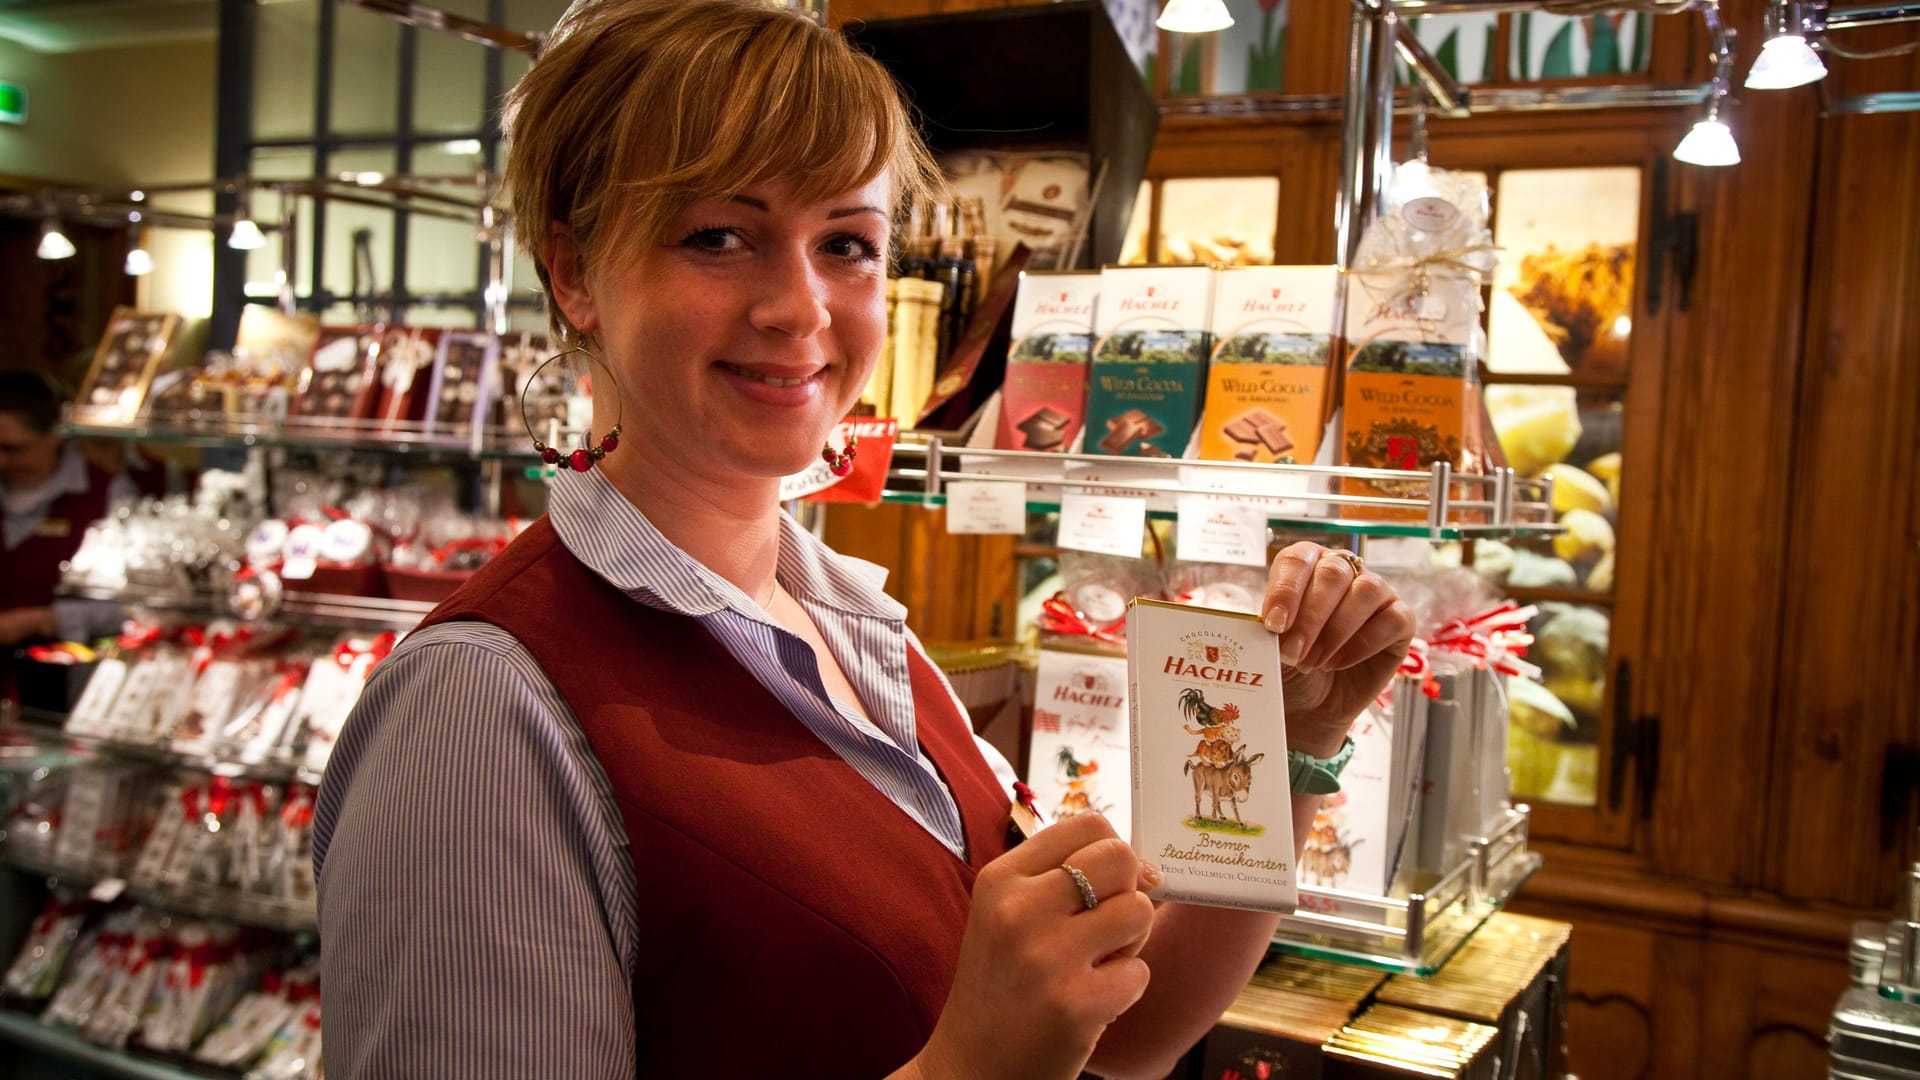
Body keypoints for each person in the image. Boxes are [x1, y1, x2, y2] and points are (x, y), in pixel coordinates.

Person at [312, 2, 1414, 1077]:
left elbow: (1122, 1041)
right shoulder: (479, 710)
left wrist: (1288, 752)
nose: (800, 307)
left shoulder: (860, 627)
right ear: (574, 272)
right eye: (718, 236)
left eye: (846, 243)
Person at [0, 370, 135, 652]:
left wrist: (42, 621)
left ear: (55, 435)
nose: (2, 460)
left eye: (14, 449)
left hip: (64, 675)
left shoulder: (106, 493)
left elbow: (131, 608)